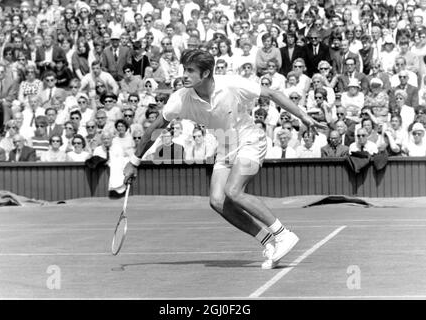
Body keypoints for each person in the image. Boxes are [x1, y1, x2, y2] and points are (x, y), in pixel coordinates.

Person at [123, 49, 327, 270]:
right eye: (184, 69)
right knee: (217, 201)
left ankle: (283, 234)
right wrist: (134, 161)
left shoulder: (231, 84)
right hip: (225, 147)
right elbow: (155, 128)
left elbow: (272, 94)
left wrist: (304, 116)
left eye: (190, 70)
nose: (185, 75)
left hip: (251, 140)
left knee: (233, 191)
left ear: (206, 74)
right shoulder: (180, 99)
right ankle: (267, 241)